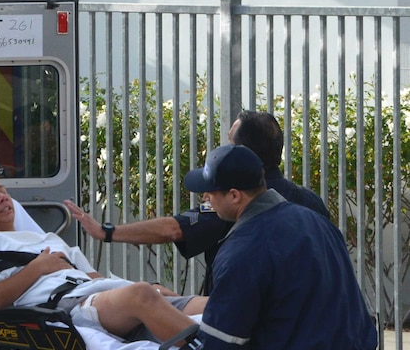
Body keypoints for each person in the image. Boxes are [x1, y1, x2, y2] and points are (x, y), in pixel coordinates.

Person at [182, 144, 378, 350]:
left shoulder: (244, 247)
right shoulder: (315, 221)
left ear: (235, 196)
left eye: (210, 193)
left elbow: (226, 336)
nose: (205, 198)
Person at [64, 110, 329, 294]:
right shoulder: (311, 202)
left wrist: (107, 232)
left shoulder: (235, 203)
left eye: (229, 143)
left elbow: (174, 229)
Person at [0, 174, 206, 345]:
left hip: (96, 294)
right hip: (69, 307)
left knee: (212, 305)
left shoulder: (48, 239)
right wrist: (37, 269)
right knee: (141, 295)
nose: (2, 197)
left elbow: (93, 278)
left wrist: (145, 290)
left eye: (3, 191)